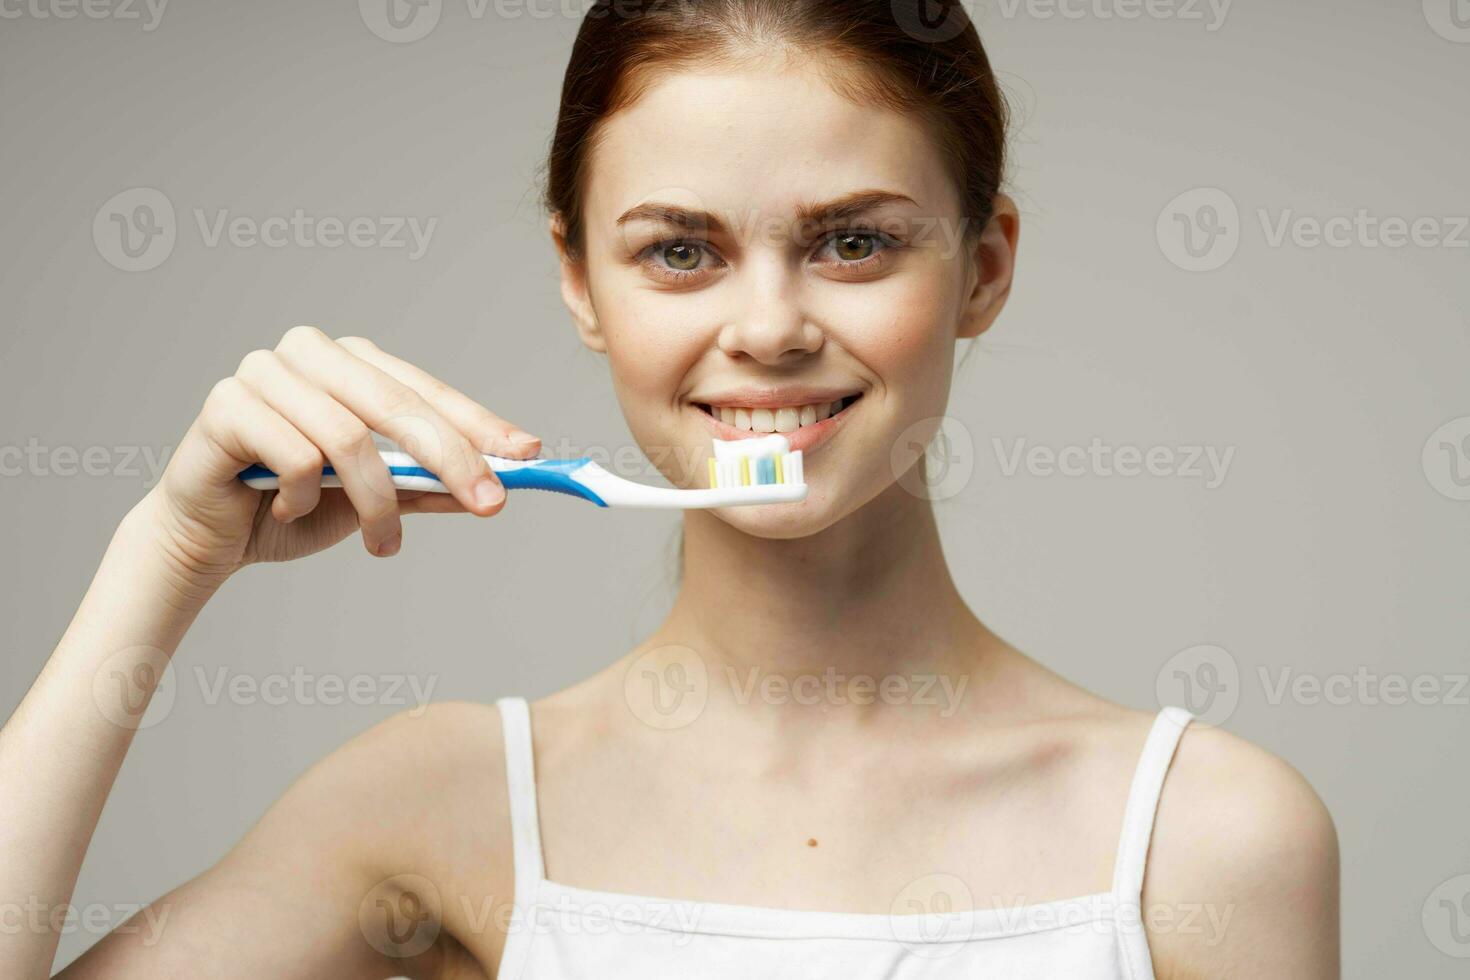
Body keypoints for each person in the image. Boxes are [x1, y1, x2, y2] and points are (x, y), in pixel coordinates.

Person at [2, 1, 1339, 977]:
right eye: (680, 252)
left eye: (855, 242)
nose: (766, 328)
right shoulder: (438, 801)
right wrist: (163, 558)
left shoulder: (1208, 837)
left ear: (983, 265)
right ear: (580, 281)